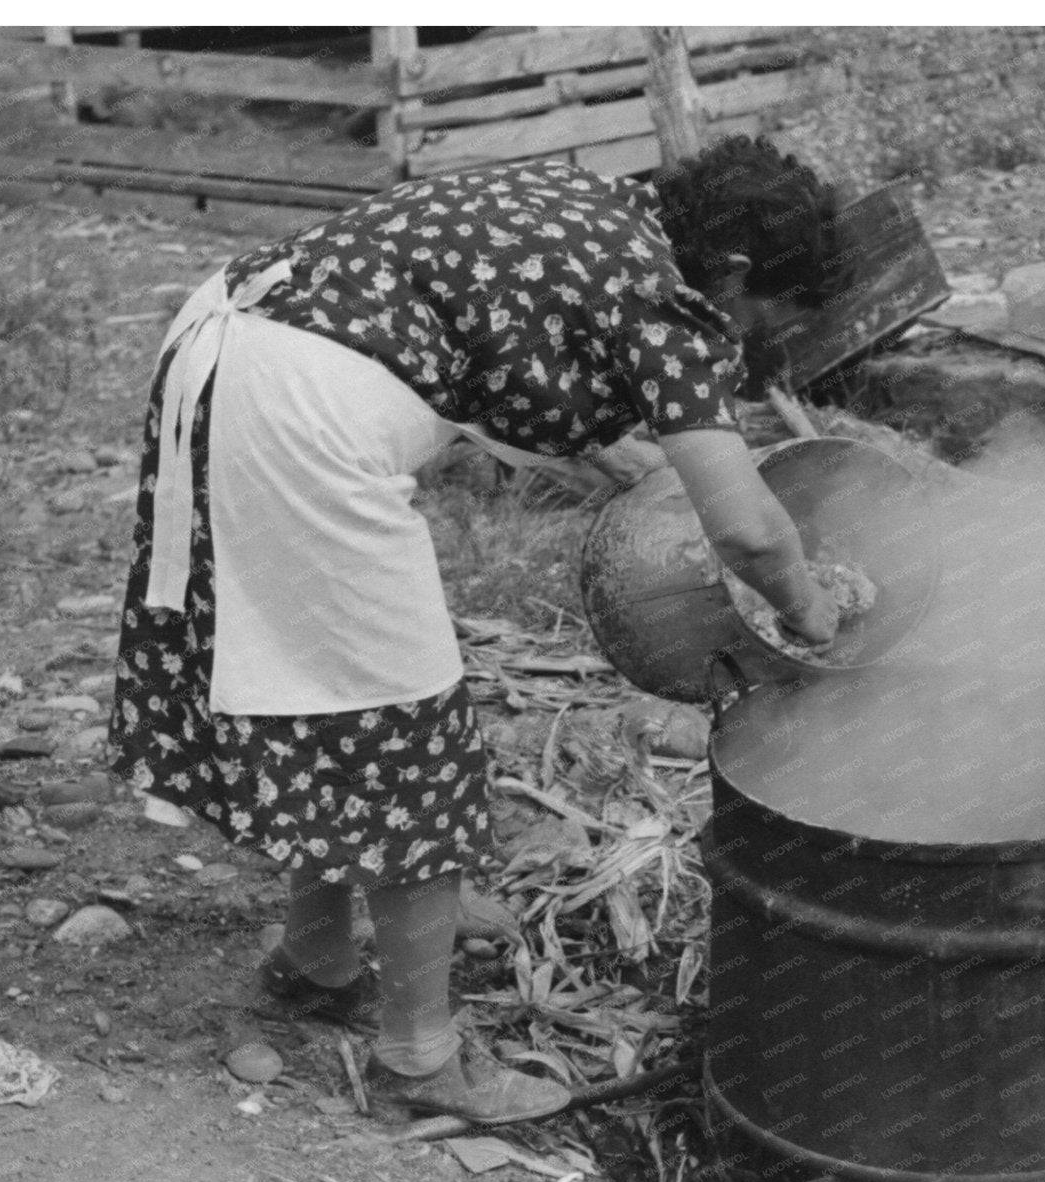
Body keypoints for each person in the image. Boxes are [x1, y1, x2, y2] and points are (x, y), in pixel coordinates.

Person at [107, 136, 842, 1125]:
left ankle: (318, 958)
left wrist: (650, 475)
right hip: (305, 411)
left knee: (323, 685)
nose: (755, 343)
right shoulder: (674, 305)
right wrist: (812, 614)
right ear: (742, 270)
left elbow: (554, 385)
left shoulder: (600, 209)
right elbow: (752, 534)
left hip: (230, 337)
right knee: (410, 737)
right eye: (768, 320)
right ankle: (419, 1060)